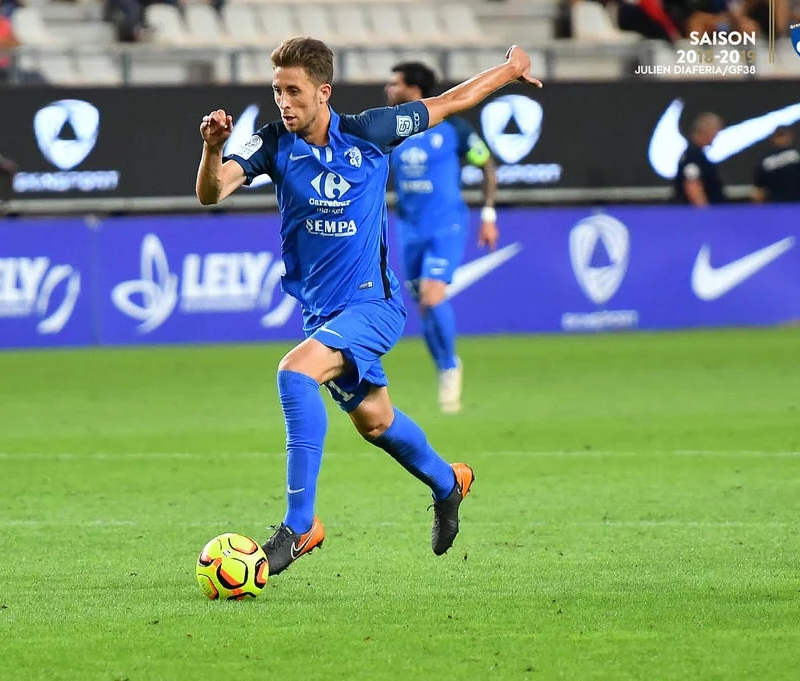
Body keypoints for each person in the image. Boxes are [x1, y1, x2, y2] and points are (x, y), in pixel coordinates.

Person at [195, 37, 542, 575]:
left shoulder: (370, 132)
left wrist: (510, 69)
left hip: (374, 306)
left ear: (324, 92)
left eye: (294, 91)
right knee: (376, 423)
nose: (284, 102)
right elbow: (212, 192)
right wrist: (213, 149)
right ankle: (448, 483)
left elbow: (450, 102)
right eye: (277, 91)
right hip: (323, 315)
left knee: (294, 374)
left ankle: (299, 526)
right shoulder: (272, 143)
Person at [384, 61, 498, 414]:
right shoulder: (391, 129)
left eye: (395, 83)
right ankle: (444, 367)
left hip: (446, 226)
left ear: (413, 89)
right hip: (409, 229)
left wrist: (488, 214)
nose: (389, 89)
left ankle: (450, 368)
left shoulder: (453, 127)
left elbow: (486, 164)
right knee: (423, 305)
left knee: (433, 296)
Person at [751, 126, 800, 203]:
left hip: (798, 203)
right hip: (784, 204)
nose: (782, 139)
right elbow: (758, 191)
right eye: (780, 136)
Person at [674, 112, 726, 206]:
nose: (716, 135)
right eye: (715, 131)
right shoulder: (692, 156)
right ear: (705, 131)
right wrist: (705, 211)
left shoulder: (698, 155)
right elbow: (692, 185)